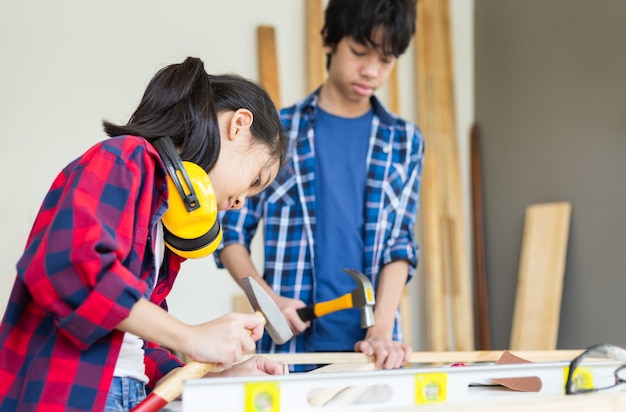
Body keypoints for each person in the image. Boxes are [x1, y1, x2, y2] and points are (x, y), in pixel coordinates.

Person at [0, 56, 289, 412]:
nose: (242, 202)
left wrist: (210, 379)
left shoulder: (161, 217)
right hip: (74, 396)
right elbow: (75, 268)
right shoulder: (126, 157)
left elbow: (138, 339)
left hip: (123, 394)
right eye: (256, 180)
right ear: (239, 125)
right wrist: (191, 336)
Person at [216, 0, 424, 371]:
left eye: (386, 60)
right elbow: (230, 233)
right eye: (359, 52)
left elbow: (400, 244)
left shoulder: (405, 141)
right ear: (329, 40)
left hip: (374, 352)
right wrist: (268, 300)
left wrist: (382, 327)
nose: (371, 71)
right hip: (292, 349)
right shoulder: (278, 133)